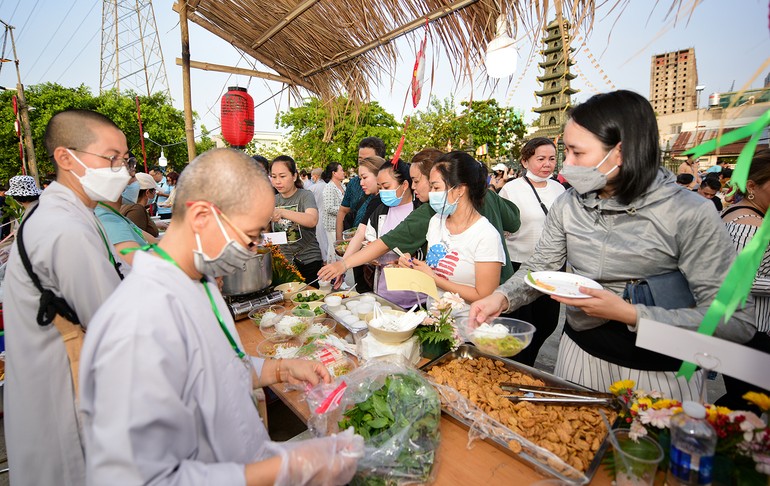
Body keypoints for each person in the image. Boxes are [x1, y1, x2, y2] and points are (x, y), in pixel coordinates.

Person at [79, 148, 363, 485]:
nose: (256, 247)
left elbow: (217, 368)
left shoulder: (200, 284)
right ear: (201, 216)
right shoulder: (138, 322)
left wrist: (281, 368)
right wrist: (288, 467)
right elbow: (144, 478)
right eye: (250, 235)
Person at [469, 90, 756, 402]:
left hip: (663, 373)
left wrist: (631, 313)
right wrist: (502, 297)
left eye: (577, 153)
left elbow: (735, 321)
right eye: (566, 152)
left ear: (620, 152)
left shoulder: (689, 212)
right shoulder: (568, 204)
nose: (566, 167)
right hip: (579, 356)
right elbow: (540, 268)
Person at [4, 109, 130, 485]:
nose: (121, 171)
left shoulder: (72, 212)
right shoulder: (63, 228)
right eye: (111, 159)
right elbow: (113, 322)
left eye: (124, 160)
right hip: (65, 402)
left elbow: (122, 268)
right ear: (65, 157)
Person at [397, 151, 504, 304]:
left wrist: (434, 278)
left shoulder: (486, 235)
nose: (431, 193)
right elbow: (437, 267)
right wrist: (413, 265)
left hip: (467, 323)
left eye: (436, 187)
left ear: (460, 189)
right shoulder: (436, 222)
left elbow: (485, 295)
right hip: (435, 319)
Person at [497, 138, 566, 366]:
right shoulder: (511, 189)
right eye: (541, 159)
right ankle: (518, 366)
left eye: (552, 159)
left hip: (552, 269)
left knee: (547, 322)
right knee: (521, 325)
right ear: (525, 161)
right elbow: (502, 226)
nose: (548, 164)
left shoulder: (560, 189)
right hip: (520, 266)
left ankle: (529, 362)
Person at [717, 148, 770, 411]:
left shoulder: (750, 215)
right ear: (752, 186)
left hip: (749, 327)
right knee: (747, 401)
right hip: (749, 329)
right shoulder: (747, 225)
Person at [361, 160, 420, 308]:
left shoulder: (421, 212)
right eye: (380, 188)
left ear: (405, 185)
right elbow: (369, 241)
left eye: (387, 187)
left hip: (418, 298)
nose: (382, 192)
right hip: (385, 295)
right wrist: (370, 255)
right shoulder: (380, 212)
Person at [270, 155, 323, 282]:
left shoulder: (305, 195)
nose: (277, 181)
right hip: (285, 263)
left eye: (282, 176)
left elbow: (312, 220)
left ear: (294, 176)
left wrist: (282, 212)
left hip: (309, 260)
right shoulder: (272, 200)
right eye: (273, 176)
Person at [339, 155, 383, 292]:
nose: (361, 183)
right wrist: (342, 266)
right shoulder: (375, 200)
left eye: (364, 178)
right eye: (360, 179)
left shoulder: (383, 200)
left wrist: (342, 266)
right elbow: (360, 233)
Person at [336, 137, 386, 239]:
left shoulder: (389, 194)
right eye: (360, 160)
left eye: (367, 160)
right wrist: (339, 241)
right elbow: (343, 211)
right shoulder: (354, 183)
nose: (362, 163)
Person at [121, 172, 160, 237]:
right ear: (147, 192)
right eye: (154, 191)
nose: (155, 194)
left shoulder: (127, 206)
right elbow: (138, 237)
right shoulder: (137, 209)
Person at [322, 162, 346, 261]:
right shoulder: (329, 187)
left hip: (342, 224)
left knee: (340, 251)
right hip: (332, 226)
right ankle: (331, 274)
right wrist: (344, 210)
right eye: (341, 170)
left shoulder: (343, 186)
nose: (343, 172)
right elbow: (329, 208)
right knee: (334, 251)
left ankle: (337, 274)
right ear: (334, 173)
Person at [308, 167, 328, 261]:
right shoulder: (328, 185)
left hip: (317, 215)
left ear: (315, 176)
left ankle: (323, 260)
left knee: (320, 239)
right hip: (327, 216)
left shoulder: (312, 188)